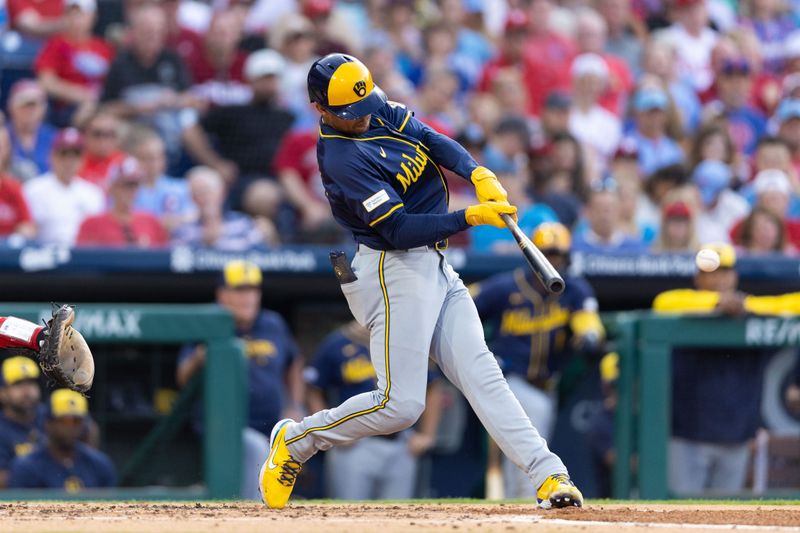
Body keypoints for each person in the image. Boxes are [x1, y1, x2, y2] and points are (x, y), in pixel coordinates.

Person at [259, 53, 583, 511]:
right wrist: (468, 216)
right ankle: (297, 439)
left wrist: (476, 172)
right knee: (400, 406)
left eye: (365, 103)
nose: (364, 115)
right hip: (391, 270)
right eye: (350, 112)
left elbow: (428, 138)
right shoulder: (341, 158)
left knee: (483, 374)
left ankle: (549, 475)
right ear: (321, 109)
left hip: (432, 264)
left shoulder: (371, 105)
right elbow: (398, 229)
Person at [652, 243, 800, 495]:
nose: (718, 278)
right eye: (710, 272)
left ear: (735, 276)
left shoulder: (752, 308)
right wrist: (719, 302)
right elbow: (663, 302)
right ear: (698, 277)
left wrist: (748, 306)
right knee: (681, 513)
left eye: (724, 271)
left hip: (737, 436)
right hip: (688, 434)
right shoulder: (685, 306)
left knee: (723, 513)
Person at [471, 223, 604, 498]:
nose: (551, 261)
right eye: (546, 254)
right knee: (529, 450)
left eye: (557, 255)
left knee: (526, 450)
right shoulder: (506, 286)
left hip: (549, 384)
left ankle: (515, 507)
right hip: (513, 380)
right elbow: (463, 304)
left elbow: (589, 325)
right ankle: (522, 506)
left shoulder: (574, 289)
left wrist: (588, 334)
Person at [177, 260, 304, 500]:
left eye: (252, 290)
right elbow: (183, 378)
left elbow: (294, 363)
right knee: (256, 453)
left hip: (273, 426)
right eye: (239, 290)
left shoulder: (273, 323)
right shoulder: (209, 323)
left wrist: (294, 405)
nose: (248, 298)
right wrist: (199, 357)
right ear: (222, 294)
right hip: (225, 429)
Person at [306, 321, 442, 499]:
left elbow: (432, 385)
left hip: (400, 442)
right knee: (349, 515)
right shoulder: (337, 342)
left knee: (398, 517)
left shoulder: (403, 342)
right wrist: (329, 432)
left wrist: (427, 435)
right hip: (355, 443)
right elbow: (313, 388)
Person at [182, 48, 295, 209]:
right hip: (244, 180)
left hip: (283, 177)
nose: (270, 84)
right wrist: (216, 164)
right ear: (251, 80)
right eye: (265, 78)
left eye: (274, 78)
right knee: (266, 195)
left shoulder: (287, 116)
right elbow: (190, 132)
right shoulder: (233, 112)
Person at [8, 389, 115, 490]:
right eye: (64, 421)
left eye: (76, 421)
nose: (71, 428)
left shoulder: (99, 464)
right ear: (48, 423)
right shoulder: (27, 467)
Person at [34, 0, 115, 126]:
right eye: (72, 14)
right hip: (68, 109)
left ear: (93, 16)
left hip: (102, 106)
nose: (77, 20)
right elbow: (46, 81)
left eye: (82, 14)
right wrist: (81, 95)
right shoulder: (55, 45)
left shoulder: (104, 48)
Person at [23, 128, 105, 245]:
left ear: (82, 159)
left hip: (84, 258)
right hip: (46, 256)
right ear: (52, 156)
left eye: (75, 155)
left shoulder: (93, 193)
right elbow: (28, 232)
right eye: (64, 154)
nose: (69, 161)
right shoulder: (33, 189)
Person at [76, 156, 168, 248]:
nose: (132, 190)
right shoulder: (92, 224)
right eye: (126, 185)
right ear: (112, 187)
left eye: (135, 185)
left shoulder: (150, 221)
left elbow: (163, 257)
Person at [173, 166, 272, 250]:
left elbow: (260, 255)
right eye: (198, 194)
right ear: (192, 199)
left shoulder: (243, 223)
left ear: (222, 193)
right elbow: (176, 263)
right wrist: (203, 244)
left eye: (208, 191)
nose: (205, 198)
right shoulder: (183, 230)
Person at [127, 126, 194, 234]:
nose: (153, 164)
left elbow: (194, 215)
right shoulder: (125, 189)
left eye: (158, 157)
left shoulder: (180, 187)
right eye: (145, 158)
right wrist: (156, 223)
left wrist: (178, 220)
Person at [0, 356, 44, 489]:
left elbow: (89, 430)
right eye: (17, 384)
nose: (27, 391)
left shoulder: (50, 418)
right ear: (2, 392)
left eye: (31, 382)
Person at [7, 80, 58, 182]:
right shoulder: (3, 136)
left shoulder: (54, 137)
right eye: (24, 105)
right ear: (11, 106)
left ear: (43, 109)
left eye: (33, 106)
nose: (29, 111)